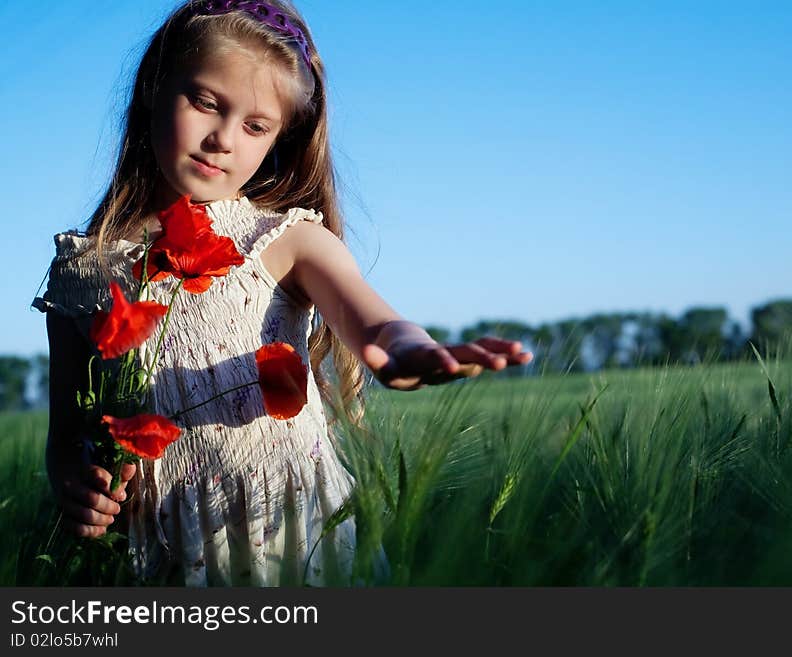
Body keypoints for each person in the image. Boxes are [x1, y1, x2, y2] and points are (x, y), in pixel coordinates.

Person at [31, 0, 531, 586]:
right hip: (157, 545)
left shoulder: (286, 240)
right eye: (205, 102)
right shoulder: (83, 268)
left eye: (255, 126)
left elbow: (373, 320)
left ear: (278, 140)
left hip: (291, 530)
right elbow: (67, 429)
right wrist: (76, 481)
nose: (222, 139)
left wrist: (404, 349)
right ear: (152, 91)